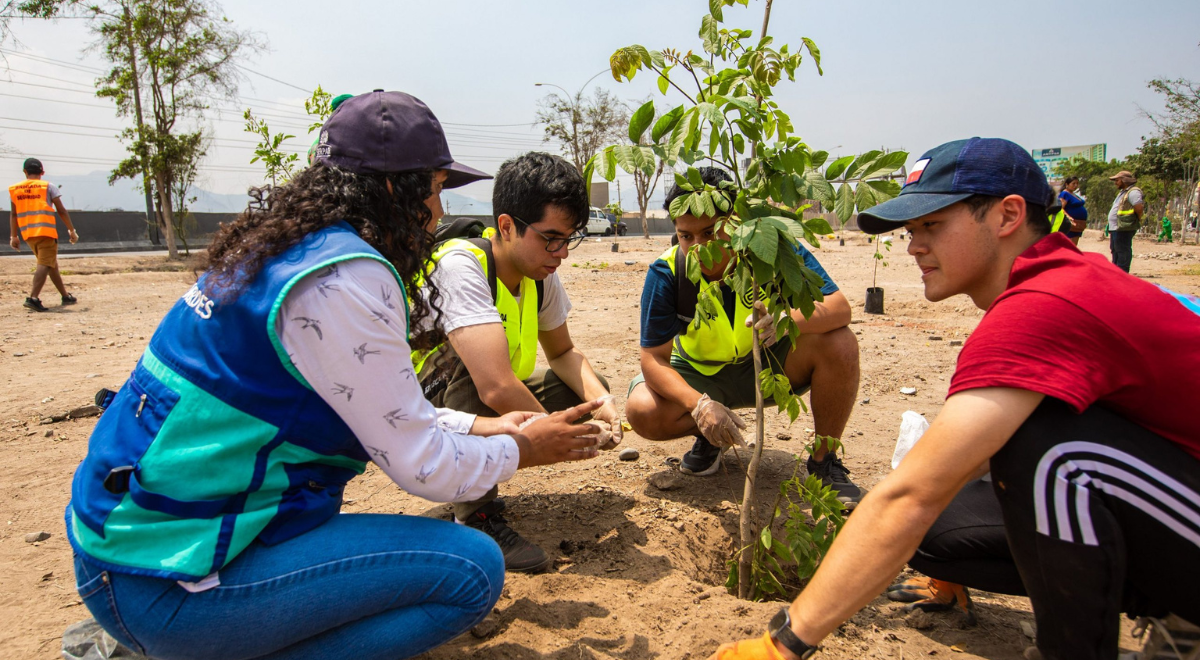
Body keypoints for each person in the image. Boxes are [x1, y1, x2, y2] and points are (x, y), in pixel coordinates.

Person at [65, 90, 607, 660]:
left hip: (128, 544)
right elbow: (422, 465)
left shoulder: (288, 253)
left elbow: (379, 407)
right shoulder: (346, 279)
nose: (438, 211)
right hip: (169, 576)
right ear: (396, 191)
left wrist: (486, 428)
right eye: (434, 190)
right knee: (470, 571)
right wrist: (525, 448)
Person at [709, 138, 1200, 660]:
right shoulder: (1058, 281)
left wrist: (783, 643)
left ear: (1008, 215)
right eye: (911, 230)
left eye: (933, 225)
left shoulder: (1045, 305)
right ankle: (1177, 612)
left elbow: (913, 495)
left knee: (1048, 454)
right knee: (941, 531)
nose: (914, 246)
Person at [415, 151, 619, 573]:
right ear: (507, 226)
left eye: (569, 238)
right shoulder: (461, 266)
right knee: (478, 376)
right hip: (423, 411)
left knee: (583, 390)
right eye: (551, 238)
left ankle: (480, 480)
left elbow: (562, 353)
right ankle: (476, 515)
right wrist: (560, 432)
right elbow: (495, 387)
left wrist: (602, 402)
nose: (562, 252)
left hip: (484, 396)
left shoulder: (540, 274)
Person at [625, 167, 864, 507]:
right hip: (702, 375)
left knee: (841, 343)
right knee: (642, 408)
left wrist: (785, 321)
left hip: (770, 364)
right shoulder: (667, 272)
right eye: (685, 236)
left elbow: (839, 308)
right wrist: (699, 406)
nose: (698, 247)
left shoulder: (771, 248)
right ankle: (710, 434)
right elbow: (652, 359)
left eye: (710, 232)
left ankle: (824, 461)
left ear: (735, 221)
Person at [8, 157, 78, 311]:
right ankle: (33, 298)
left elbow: (13, 214)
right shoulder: (48, 186)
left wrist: (14, 236)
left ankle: (65, 296)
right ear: (42, 172)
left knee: (51, 265)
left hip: (28, 234)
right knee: (45, 264)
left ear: (25, 172)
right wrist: (71, 230)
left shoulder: (15, 189)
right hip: (45, 232)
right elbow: (61, 210)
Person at [1107, 170, 1143, 273]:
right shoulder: (1123, 192)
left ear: (1124, 180)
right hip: (1116, 227)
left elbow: (1139, 208)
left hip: (1124, 227)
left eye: (1117, 180)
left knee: (1122, 250)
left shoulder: (1133, 192)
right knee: (1115, 250)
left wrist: (1137, 218)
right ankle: (1116, 272)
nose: (1115, 183)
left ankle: (1122, 273)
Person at [1057, 176, 1087, 245]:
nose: (1075, 185)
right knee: (1070, 244)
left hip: (1078, 224)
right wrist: (1068, 217)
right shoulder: (1065, 194)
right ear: (1067, 184)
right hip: (1071, 223)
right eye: (1073, 183)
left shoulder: (1073, 194)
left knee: (1074, 244)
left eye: (1077, 183)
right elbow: (1060, 208)